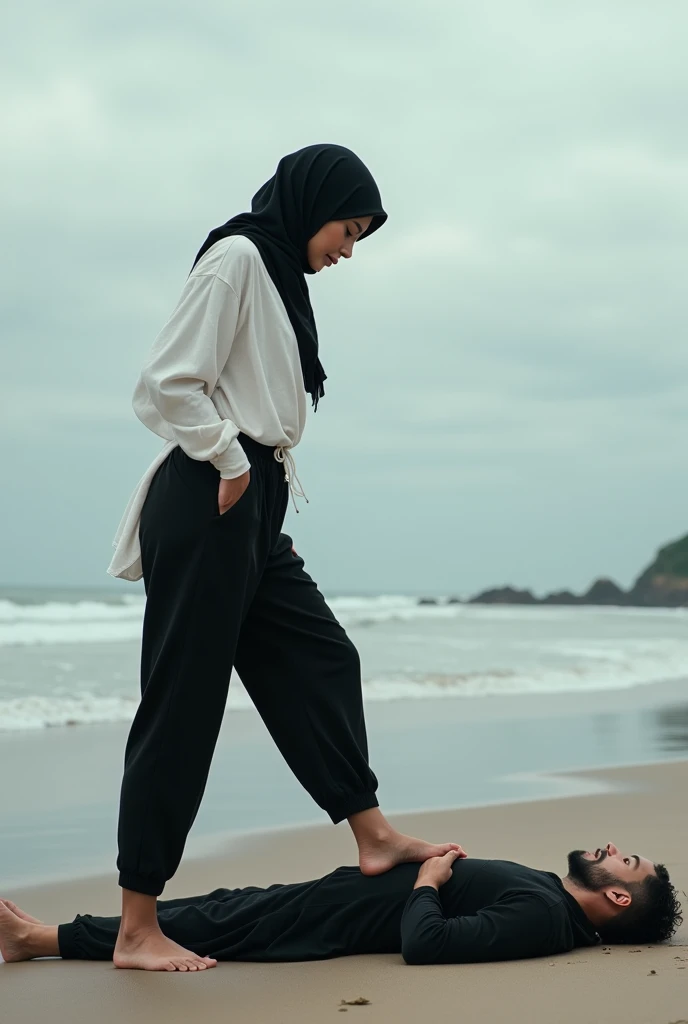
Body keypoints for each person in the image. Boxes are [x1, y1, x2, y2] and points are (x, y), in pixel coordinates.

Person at [106, 144, 459, 972]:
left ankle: (371, 836)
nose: (347, 249)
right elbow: (164, 383)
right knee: (183, 707)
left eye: (360, 237)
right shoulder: (236, 259)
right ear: (312, 205)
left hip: (254, 504)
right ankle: (134, 927)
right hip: (211, 496)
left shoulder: (279, 275)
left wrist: (250, 475)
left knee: (323, 656)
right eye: (347, 228)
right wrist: (230, 459)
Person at [0, 843, 681, 969]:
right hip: (335, 902)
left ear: (616, 897)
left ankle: (38, 940)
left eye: (625, 861)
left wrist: (430, 880)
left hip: (332, 923)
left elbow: (427, 945)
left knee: (199, 921)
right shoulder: (548, 899)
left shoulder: (543, 919)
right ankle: (43, 937)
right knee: (209, 909)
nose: (614, 848)